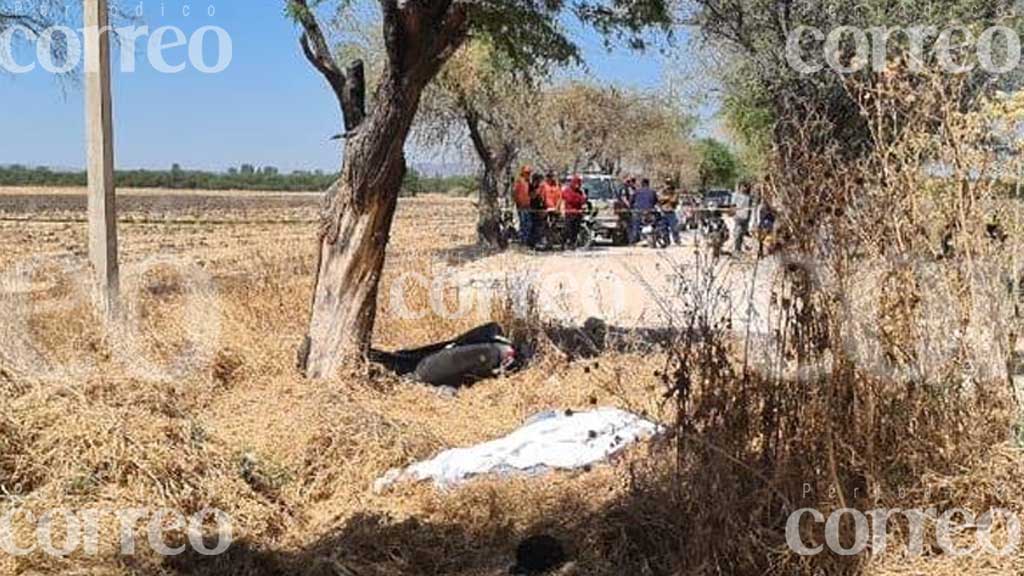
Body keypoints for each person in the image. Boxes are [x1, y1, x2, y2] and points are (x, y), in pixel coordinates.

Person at [561, 175, 587, 248]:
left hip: (578, 214)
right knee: (568, 229)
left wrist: (583, 204)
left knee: (575, 230)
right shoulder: (567, 190)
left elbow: (582, 202)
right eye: (576, 183)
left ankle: (573, 243)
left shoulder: (580, 192)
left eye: (579, 183)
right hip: (569, 213)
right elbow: (565, 199)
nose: (577, 185)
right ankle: (563, 243)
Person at [630, 178, 658, 244]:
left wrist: (631, 207)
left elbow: (631, 201)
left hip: (638, 211)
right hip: (649, 211)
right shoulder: (652, 191)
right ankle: (654, 236)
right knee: (654, 223)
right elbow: (655, 201)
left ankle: (634, 239)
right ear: (648, 184)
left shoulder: (636, 191)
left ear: (642, 184)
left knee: (635, 225)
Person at [513, 166, 533, 246]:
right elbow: (515, 194)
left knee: (528, 224)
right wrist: (519, 203)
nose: (528, 174)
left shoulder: (528, 183)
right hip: (521, 207)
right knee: (524, 224)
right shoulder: (519, 182)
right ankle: (522, 242)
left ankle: (526, 241)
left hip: (528, 206)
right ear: (523, 173)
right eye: (527, 173)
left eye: (529, 173)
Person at [732, 181, 753, 255]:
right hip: (738, 217)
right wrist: (733, 214)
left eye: (746, 186)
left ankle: (739, 249)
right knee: (737, 234)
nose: (744, 188)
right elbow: (733, 205)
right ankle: (736, 249)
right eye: (743, 186)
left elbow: (750, 208)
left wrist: (749, 219)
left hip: (746, 217)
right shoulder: (736, 195)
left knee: (741, 234)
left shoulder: (749, 197)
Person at [658, 178, 681, 245]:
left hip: (671, 211)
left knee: (674, 228)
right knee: (663, 228)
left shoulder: (674, 191)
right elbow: (659, 199)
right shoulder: (662, 191)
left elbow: (674, 200)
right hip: (663, 211)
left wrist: (666, 199)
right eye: (667, 183)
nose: (668, 185)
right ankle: (666, 241)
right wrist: (667, 198)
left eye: (669, 183)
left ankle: (677, 240)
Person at [528, 172, 546, 247]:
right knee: (533, 226)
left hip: (540, 209)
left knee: (540, 226)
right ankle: (532, 242)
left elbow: (542, 198)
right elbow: (532, 196)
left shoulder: (540, 187)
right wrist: (537, 192)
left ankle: (538, 240)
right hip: (533, 209)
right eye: (538, 180)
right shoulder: (531, 187)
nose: (539, 182)